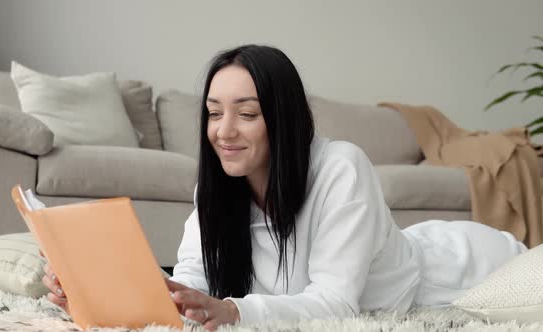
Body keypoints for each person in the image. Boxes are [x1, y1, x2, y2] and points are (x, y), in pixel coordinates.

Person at [42, 45, 527, 331]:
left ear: (284, 119)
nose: (223, 131)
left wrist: (233, 311)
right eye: (213, 112)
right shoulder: (217, 183)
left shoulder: (341, 168)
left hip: (467, 268)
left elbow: (337, 305)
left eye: (247, 113)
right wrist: (96, 294)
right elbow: (193, 281)